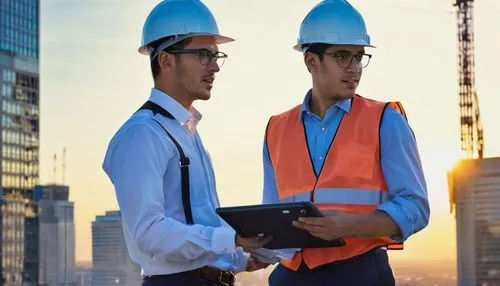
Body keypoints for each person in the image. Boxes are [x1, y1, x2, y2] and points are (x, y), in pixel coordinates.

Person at [261, 0, 430, 285]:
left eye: (358, 57)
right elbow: (272, 210)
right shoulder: (276, 128)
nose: (354, 68)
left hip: (359, 271)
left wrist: (352, 225)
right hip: (291, 276)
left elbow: (416, 207)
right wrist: (260, 245)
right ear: (311, 60)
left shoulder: (385, 120)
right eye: (342, 56)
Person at [102, 1, 271, 285]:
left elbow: (196, 223)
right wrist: (231, 237)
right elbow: (148, 232)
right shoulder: (142, 134)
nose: (215, 66)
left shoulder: (186, 130)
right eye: (204, 55)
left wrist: (240, 258)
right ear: (166, 61)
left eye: (217, 55)